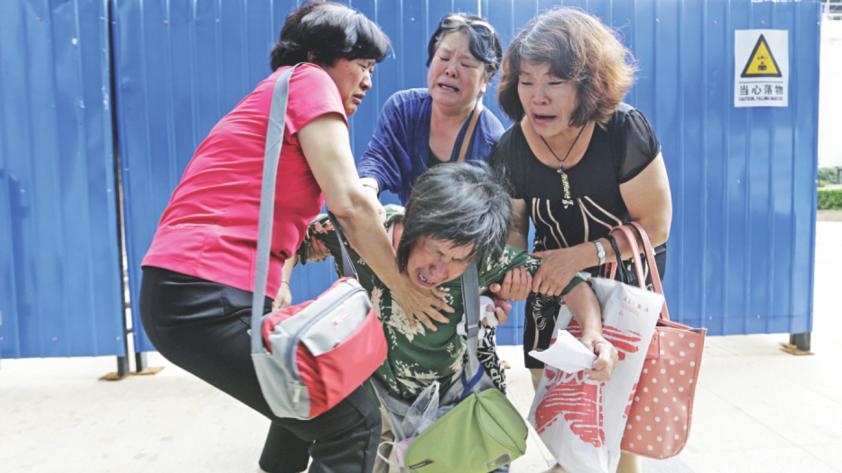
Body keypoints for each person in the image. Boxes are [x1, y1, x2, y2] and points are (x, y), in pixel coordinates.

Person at [139, 4, 452, 473]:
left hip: (190, 288)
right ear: (320, 55)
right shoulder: (309, 81)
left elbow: (265, 199)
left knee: (306, 389)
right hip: (202, 292)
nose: (368, 81)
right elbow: (349, 202)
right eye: (362, 65)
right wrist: (400, 286)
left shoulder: (278, 96)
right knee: (353, 423)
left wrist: (277, 276)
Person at [295, 163, 618, 472]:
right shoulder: (363, 234)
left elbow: (570, 283)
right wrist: (280, 286)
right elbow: (291, 241)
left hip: (449, 408)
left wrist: (593, 332)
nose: (439, 270)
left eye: (458, 260)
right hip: (370, 402)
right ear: (414, 221)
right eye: (434, 249)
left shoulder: (483, 257)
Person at [490, 7, 673, 473]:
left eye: (555, 82)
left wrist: (583, 255)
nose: (538, 97)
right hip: (551, 287)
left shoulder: (623, 130)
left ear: (587, 84)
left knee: (618, 413)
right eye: (527, 82)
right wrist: (513, 266)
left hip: (624, 288)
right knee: (558, 405)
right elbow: (513, 228)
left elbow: (655, 225)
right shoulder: (510, 147)